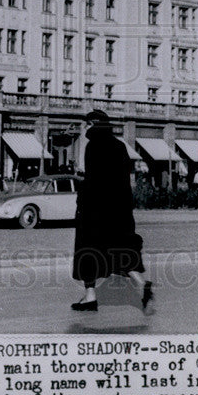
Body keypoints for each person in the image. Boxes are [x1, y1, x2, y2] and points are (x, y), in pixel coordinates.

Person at [71, 110, 153, 313]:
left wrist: (82, 198)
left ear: (92, 124)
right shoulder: (120, 145)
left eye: (86, 125)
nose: (84, 129)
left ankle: (90, 296)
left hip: (95, 210)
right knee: (120, 249)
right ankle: (142, 284)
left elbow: (93, 180)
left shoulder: (92, 146)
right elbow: (124, 180)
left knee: (87, 251)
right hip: (119, 210)